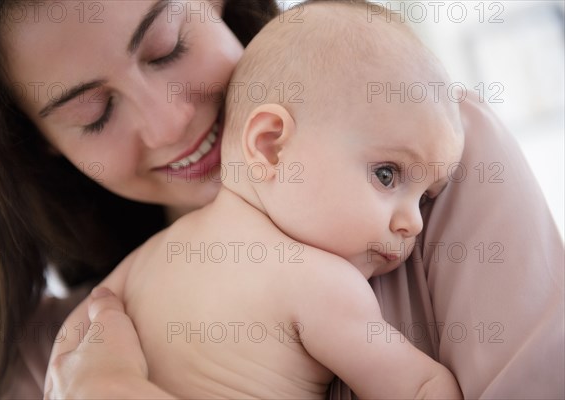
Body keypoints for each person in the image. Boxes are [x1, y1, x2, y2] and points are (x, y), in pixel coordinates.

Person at [0, 0, 561, 398]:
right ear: (40, 145)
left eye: (168, 46)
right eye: (93, 114)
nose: (170, 124)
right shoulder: (48, 359)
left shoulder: (430, 152)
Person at [47, 1, 466, 398]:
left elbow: (72, 355)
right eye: (386, 175)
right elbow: (421, 390)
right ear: (270, 146)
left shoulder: (144, 263)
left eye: (425, 196)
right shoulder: (322, 285)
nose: (415, 222)